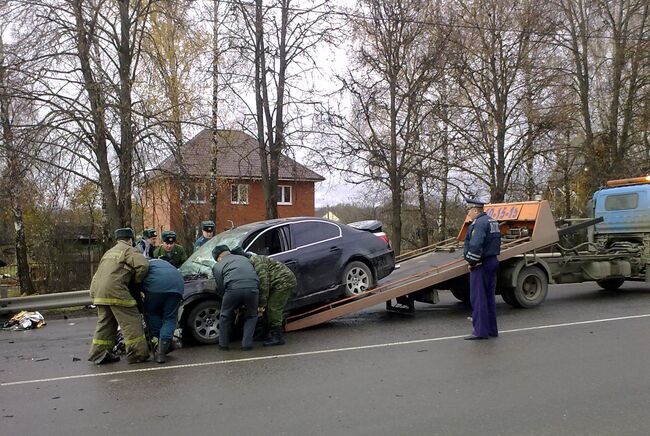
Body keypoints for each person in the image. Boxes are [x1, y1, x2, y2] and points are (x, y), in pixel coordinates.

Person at [88, 228, 150, 364]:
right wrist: (136, 280)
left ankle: (99, 354)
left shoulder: (108, 252)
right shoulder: (129, 250)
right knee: (131, 320)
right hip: (115, 291)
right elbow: (143, 265)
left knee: (106, 323)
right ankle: (137, 354)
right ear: (131, 239)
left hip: (98, 292)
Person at [231, 246, 296, 346]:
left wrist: (261, 304)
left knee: (273, 308)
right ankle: (265, 333)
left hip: (284, 282)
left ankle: (277, 336)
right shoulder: (250, 263)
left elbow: (263, 284)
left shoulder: (256, 262)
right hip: (275, 283)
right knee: (267, 310)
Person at [463, 198, 501, 340]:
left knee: (478, 298)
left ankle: (480, 331)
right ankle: (492, 330)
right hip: (492, 261)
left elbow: (475, 244)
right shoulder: (492, 221)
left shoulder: (478, 223)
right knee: (489, 297)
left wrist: (472, 262)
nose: (468, 213)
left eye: (469, 210)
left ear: (475, 210)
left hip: (481, 264)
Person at [211, 245, 259, 351]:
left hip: (233, 289)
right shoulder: (244, 259)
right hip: (253, 288)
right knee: (251, 315)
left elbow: (221, 286)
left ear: (218, 257)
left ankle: (223, 344)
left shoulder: (218, 266)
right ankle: (246, 344)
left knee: (224, 315)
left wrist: (228, 299)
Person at [142, 259, 184, 363]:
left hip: (155, 288)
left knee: (152, 313)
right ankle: (162, 349)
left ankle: (162, 344)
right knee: (169, 318)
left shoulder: (146, 264)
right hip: (177, 287)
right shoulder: (166, 264)